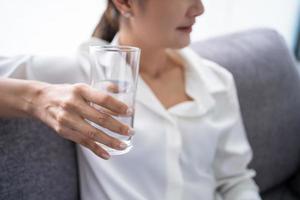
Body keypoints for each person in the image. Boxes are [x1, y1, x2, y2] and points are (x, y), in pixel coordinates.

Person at [0, 0, 262, 199]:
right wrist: (38, 97)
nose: (199, 8)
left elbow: (235, 181)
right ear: (124, 2)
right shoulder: (83, 71)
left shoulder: (217, 81)